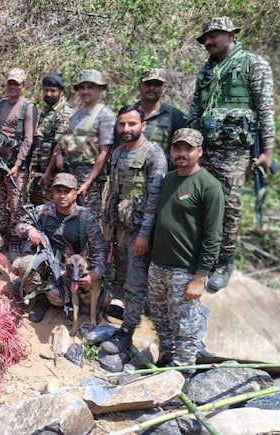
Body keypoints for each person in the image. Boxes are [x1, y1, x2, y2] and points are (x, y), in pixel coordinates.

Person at [186, 16, 275, 291]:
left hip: (235, 151)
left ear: (229, 34)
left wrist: (268, 150)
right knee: (201, 203)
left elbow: (265, 109)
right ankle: (204, 256)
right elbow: (195, 108)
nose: (208, 43)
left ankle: (225, 260)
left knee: (231, 207)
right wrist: (186, 140)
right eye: (204, 39)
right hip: (206, 147)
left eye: (213, 36)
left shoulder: (253, 64)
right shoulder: (207, 70)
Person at [148, 128, 224, 370]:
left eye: (188, 149)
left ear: (199, 152)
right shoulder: (168, 180)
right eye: (177, 148)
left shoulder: (209, 187)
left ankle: (183, 376)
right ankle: (165, 365)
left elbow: (213, 236)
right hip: (158, 266)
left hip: (186, 271)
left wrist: (200, 277)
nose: (182, 153)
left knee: (185, 329)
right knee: (160, 322)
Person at [100, 105, 168, 355]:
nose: (126, 129)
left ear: (143, 125)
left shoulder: (153, 155)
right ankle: (126, 315)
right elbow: (113, 192)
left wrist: (144, 234)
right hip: (119, 228)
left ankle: (128, 332)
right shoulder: (118, 152)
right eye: (122, 124)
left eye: (132, 124)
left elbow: (154, 199)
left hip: (139, 231)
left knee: (135, 282)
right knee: (120, 275)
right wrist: (107, 225)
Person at [14, 172, 106, 323]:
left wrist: (95, 274)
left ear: (75, 194)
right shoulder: (43, 210)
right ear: (52, 193)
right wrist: (30, 230)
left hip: (69, 267)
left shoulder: (86, 218)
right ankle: (40, 299)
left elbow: (100, 250)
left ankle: (63, 299)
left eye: (67, 191)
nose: (62, 195)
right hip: (46, 259)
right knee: (24, 265)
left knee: (57, 295)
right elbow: (18, 226)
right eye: (58, 191)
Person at [46, 69, 115, 220]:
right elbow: (64, 140)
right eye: (82, 87)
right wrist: (58, 157)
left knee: (89, 220)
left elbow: (104, 152)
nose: (85, 91)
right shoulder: (76, 114)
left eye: (90, 87)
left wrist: (88, 182)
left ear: (100, 89)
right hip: (71, 174)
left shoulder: (105, 115)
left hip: (90, 178)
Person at [0, 68, 37, 259]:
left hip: (16, 166)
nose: (13, 87)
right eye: (10, 83)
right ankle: (0, 237)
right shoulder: (1, 104)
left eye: (17, 84)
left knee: (16, 204)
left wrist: (17, 164)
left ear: (23, 85)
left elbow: (28, 140)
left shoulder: (28, 107)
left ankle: (15, 240)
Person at [30, 73, 74, 205]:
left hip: (54, 174)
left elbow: (58, 145)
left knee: (52, 209)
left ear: (60, 91)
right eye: (46, 90)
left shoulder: (65, 113)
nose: (48, 94)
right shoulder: (47, 110)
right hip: (41, 171)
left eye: (53, 91)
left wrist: (48, 172)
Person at [135, 68, 186, 166]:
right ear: (140, 87)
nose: (152, 88)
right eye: (148, 84)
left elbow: (183, 151)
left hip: (162, 176)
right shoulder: (128, 114)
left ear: (164, 88)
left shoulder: (175, 116)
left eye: (157, 84)